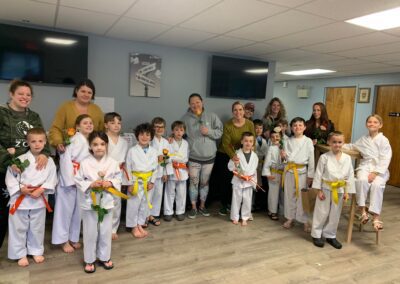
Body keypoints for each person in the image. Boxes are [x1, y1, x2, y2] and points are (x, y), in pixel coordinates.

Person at [0, 80, 50, 249]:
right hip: (6, 169)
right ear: (11, 94)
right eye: (20, 94)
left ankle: (31, 249)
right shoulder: (1, 113)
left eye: (28, 95)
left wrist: (44, 153)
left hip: (30, 172)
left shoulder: (34, 116)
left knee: (30, 216)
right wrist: (9, 160)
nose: (25, 97)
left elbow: (43, 138)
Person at [6, 128, 57, 267]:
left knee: (37, 226)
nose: (37, 144)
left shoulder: (49, 161)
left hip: (38, 198)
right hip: (21, 198)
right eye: (33, 141)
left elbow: (52, 179)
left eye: (40, 141)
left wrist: (41, 189)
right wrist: (21, 189)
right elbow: (10, 178)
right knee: (18, 227)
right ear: (28, 143)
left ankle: (35, 250)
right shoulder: (19, 160)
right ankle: (19, 253)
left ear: (45, 142)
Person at [75, 131, 122, 273]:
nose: (99, 147)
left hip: (107, 201)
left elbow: (119, 178)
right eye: (95, 144)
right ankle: (89, 259)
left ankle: (105, 257)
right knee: (90, 232)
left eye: (102, 144)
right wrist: (90, 184)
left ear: (107, 145)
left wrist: (110, 182)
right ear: (90, 146)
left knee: (105, 231)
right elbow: (78, 180)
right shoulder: (84, 163)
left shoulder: (113, 163)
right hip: (90, 202)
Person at [51, 114, 93, 253]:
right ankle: (63, 240)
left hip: (82, 178)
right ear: (77, 127)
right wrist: (69, 179)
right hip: (69, 179)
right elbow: (65, 159)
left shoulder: (90, 141)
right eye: (85, 123)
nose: (89, 125)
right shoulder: (73, 140)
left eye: (90, 123)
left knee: (78, 210)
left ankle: (73, 237)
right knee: (65, 211)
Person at [344, 115, 392, 231]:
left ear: (380, 125)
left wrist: (375, 173)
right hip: (365, 167)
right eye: (369, 122)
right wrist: (338, 144)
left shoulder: (383, 140)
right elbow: (352, 146)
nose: (372, 124)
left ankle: (376, 217)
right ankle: (362, 211)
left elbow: (386, 158)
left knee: (376, 185)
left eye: (375, 122)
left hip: (380, 169)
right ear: (366, 124)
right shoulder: (363, 139)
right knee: (361, 180)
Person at [181, 93, 223, 219]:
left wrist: (209, 131)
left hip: (209, 158)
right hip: (194, 157)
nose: (195, 105)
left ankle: (202, 206)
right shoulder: (185, 119)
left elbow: (220, 132)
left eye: (197, 102)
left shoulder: (212, 116)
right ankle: (193, 207)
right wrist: (172, 138)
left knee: (204, 183)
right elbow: (179, 133)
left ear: (202, 102)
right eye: (192, 103)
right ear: (189, 105)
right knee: (193, 183)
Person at [311, 131, 355, 249]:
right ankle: (316, 234)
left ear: (343, 143)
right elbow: (318, 174)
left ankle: (330, 235)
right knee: (321, 212)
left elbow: (350, 175)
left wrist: (347, 192)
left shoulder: (347, 158)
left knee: (335, 213)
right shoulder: (324, 157)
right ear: (329, 142)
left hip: (339, 189)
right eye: (334, 142)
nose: (337, 144)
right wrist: (318, 190)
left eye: (339, 142)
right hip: (325, 188)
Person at [214, 101, 255, 216]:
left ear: (244, 111)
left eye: (240, 109)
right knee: (226, 182)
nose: (238, 112)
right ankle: (224, 205)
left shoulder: (249, 124)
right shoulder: (228, 124)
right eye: (235, 110)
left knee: (240, 181)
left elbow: (253, 140)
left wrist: (249, 156)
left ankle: (237, 206)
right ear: (232, 112)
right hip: (226, 155)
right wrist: (234, 156)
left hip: (243, 154)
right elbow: (226, 144)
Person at [48, 79, 104, 152]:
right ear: (76, 91)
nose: (86, 95)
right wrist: (58, 143)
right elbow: (55, 129)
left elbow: (102, 131)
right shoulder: (65, 107)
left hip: (91, 151)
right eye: (83, 91)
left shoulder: (97, 110)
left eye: (89, 92)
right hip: (67, 150)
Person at [281, 117, 314, 232]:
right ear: (291, 127)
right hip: (290, 170)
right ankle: (290, 218)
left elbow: (311, 160)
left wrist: (310, 175)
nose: (297, 127)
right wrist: (283, 157)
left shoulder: (308, 141)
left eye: (300, 125)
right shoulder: (287, 141)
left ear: (304, 127)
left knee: (302, 197)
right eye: (295, 125)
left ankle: (304, 220)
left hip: (302, 172)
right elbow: (285, 160)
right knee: (289, 195)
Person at [125, 123, 158, 238]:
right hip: (135, 181)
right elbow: (127, 168)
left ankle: (140, 224)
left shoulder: (153, 151)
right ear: (137, 136)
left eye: (147, 135)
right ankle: (133, 226)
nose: (144, 137)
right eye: (142, 134)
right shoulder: (132, 151)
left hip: (148, 181)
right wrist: (129, 183)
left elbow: (155, 168)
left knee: (144, 204)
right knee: (133, 204)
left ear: (151, 137)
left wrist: (152, 181)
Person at [104, 112, 128, 240]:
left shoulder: (124, 142)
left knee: (116, 202)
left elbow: (125, 162)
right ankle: (102, 227)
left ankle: (113, 228)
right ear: (106, 125)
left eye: (119, 123)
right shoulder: (103, 139)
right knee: (104, 201)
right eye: (112, 123)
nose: (116, 125)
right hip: (105, 173)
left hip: (118, 174)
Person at [228, 132, 258, 226]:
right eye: (246, 141)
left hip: (249, 181)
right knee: (236, 199)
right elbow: (230, 166)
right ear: (242, 142)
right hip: (238, 180)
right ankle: (235, 217)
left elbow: (254, 170)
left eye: (250, 141)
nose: (248, 143)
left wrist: (253, 180)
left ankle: (245, 217)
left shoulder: (255, 156)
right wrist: (237, 170)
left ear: (253, 143)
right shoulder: (237, 154)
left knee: (247, 200)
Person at [164, 121, 189, 221]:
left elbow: (186, 158)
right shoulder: (168, 142)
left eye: (181, 130)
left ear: (184, 132)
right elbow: (166, 157)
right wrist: (174, 159)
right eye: (176, 130)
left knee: (181, 193)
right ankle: (168, 212)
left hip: (182, 170)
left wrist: (176, 158)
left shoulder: (186, 143)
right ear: (172, 131)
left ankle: (180, 211)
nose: (179, 132)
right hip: (171, 169)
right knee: (169, 192)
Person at [150, 117, 169, 225]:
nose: (159, 129)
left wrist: (165, 173)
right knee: (149, 194)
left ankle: (155, 214)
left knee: (158, 194)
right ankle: (147, 215)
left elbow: (167, 159)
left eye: (161, 127)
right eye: (157, 127)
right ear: (153, 128)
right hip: (151, 172)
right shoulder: (150, 140)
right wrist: (157, 158)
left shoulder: (166, 142)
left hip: (161, 172)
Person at [262, 128, 284, 221]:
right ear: (270, 139)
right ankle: (272, 211)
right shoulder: (271, 148)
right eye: (273, 137)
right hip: (274, 173)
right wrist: (267, 174)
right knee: (273, 193)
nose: (275, 138)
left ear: (281, 137)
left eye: (277, 136)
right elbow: (266, 163)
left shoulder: (284, 147)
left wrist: (283, 157)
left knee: (283, 193)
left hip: (284, 173)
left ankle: (283, 211)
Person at [253, 119, 268, 212]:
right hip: (253, 165)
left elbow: (266, 153)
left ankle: (258, 204)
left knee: (260, 184)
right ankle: (252, 204)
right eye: (256, 128)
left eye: (261, 128)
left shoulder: (264, 140)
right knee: (253, 183)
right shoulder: (251, 139)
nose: (258, 130)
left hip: (261, 165)